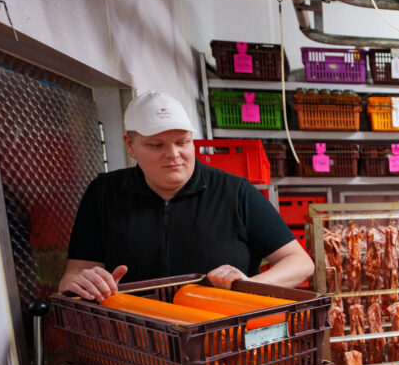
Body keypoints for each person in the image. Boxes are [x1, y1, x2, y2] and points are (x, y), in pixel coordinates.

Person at [59, 91, 313, 300]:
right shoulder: (104, 193)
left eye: (182, 142)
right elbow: (74, 274)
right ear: (130, 145)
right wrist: (83, 282)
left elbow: (300, 262)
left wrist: (249, 284)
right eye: (156, 145)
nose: (173, 154)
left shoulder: (235, 192)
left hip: (224, 339)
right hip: (135, 342)